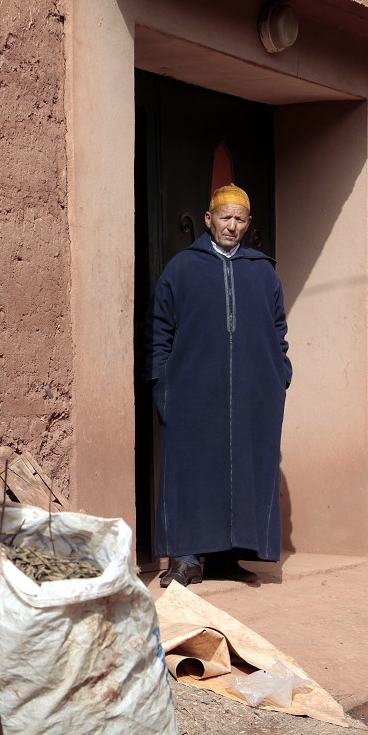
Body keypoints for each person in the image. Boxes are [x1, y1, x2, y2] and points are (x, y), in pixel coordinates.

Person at [149, 183, 290, 587]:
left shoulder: (262, 271)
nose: (232, 226)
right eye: (224, 218)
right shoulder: (182, 268)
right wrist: (162, 380)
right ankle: (186, 558)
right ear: (209, 219)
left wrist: (281, 372)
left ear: (249, 224)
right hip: (192, 390)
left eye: (239, 219)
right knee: (190, 468)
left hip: (253, 391)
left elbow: (278, 329)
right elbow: (159, 328)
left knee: (246, 466)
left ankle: (232, 554)